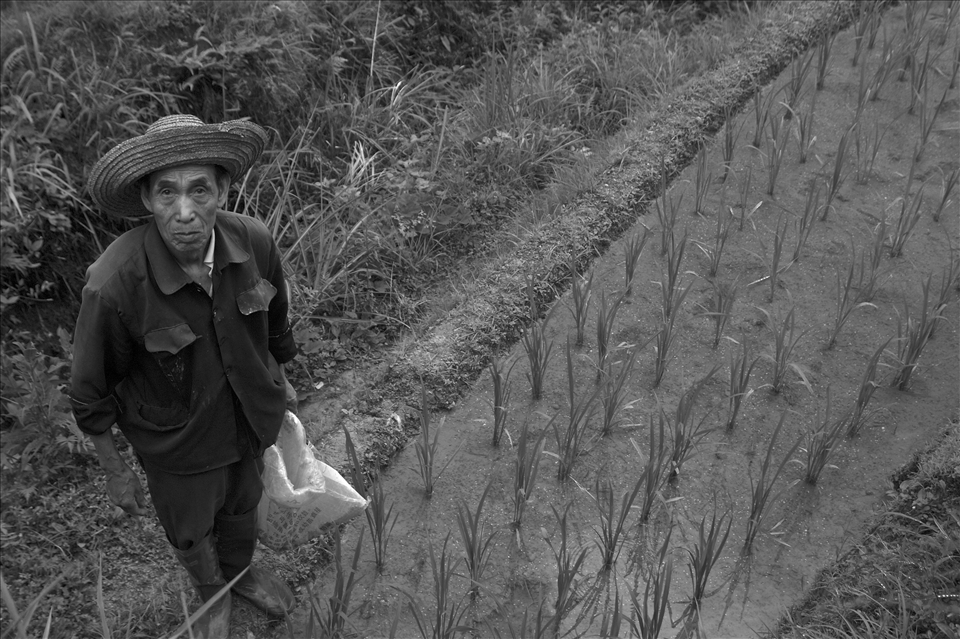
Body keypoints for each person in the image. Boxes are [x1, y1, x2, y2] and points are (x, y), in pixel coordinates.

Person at [70, 114, 299, 638]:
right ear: (147, 199)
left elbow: (276, 323)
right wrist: (114, 470)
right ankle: (210, 592)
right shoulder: (114, 283)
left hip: (248, 419)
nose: (185, 212)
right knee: (191, 529)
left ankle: (239, 573)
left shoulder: (254, 242)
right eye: (167, 193)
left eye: (200, 189)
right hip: (179, 443)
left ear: (222, 188)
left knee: (244, 503)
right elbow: (89, 389)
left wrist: (280, 384)